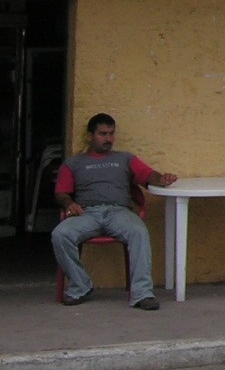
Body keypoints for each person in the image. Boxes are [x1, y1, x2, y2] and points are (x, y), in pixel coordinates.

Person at [51, 113, 177, 309]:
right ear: (90, 135)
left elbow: (148, 175)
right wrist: (69, 204)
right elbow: (61, 193)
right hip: (87, 213)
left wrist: (161, 179)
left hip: (119, 212)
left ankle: (142, 294)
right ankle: (81, 285)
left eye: (111, 134)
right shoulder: (73, 163)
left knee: (139, 231)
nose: (108, 138)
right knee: (60, 234)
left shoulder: (125, 158)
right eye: (103, 134)